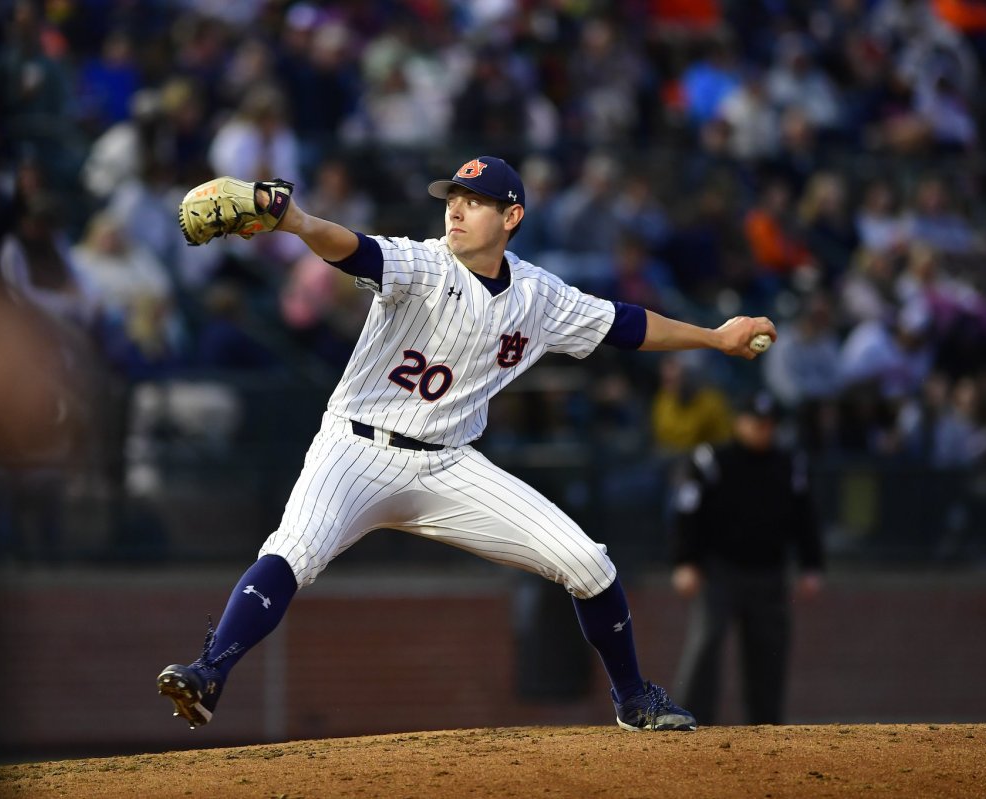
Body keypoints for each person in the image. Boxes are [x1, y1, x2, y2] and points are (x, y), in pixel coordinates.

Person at [156, 155, 777, 734]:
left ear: (511, 218)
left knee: (590, 564)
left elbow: (626, 325)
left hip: (448, 464)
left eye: (475, 201)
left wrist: (716, 338)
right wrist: (293, 220)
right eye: (453, 197)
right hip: (355, 450)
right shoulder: (424, 262)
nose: (455, 209)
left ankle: (633, 697)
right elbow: (354, 251)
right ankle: (209, 672)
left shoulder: (538, 296)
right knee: (292, 552)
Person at [668, 389, 824, 725]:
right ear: (739, 421)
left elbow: (805, 517)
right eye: (755, 422)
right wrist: (685, 561)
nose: (762, 430)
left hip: (769, 574)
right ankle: (689, 724)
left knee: (769, 653)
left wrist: (811, 565)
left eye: (769, 424)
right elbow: (688, 512)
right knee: (705, 644)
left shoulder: (789, 465)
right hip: (720, 572)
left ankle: (765, 729)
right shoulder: (712, 460)